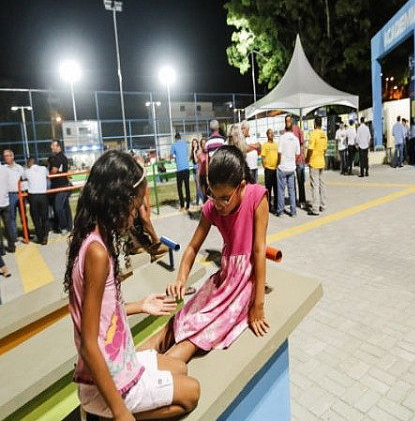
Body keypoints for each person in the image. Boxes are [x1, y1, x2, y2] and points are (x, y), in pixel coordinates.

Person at [64, 150, 200, 419]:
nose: (138, 213)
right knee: (192, 391)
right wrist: (120, 411)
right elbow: (89, 344)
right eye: (136, 205)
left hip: (120, 363)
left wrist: (141, 305)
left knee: (180, 369)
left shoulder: (94, 239)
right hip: (107, 383)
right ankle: (107, 415)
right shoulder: (97, 253)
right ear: (118, 201)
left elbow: (101, 313)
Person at [141, 146, 270, 363]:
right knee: (177, 323)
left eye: (225, 198)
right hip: (224, 279)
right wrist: (181, 278)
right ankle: (120, 371)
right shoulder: (211, 207)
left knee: (195, 336)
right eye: (212, 194)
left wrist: (258, 305)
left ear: (241, 187)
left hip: (244, 284)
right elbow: (192, 247)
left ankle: (148, 380)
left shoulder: (257, 198)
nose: (217, 204)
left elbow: (258, 251)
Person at [276, 118, 301, 217]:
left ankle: (281, 211)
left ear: (285, 126)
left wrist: (278, 163)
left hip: (282, 167)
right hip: (291, 167)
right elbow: (297, 154)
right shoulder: (296, 139)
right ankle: (293, 211)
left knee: (281, 191)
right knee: (292, 191)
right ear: (293, 126)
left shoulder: (282, 138)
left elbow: (279, 152)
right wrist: (292, 161)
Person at [48, 139, 73, 233]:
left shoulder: (58, 158)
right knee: (65, 206)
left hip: (61, 186)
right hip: (62, 185)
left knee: (58, 207)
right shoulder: (62, 157)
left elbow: (53, 171)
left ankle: (64, 226)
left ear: (58, 146)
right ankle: (69, 226)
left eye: (53, 145)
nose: (51, 147)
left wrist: (48, 174)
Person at [3, 149, 28, 240]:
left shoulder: (19, 168)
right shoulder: (3, 169)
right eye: (4, 156)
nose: (5, 157)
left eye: (7, 155)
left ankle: (26, 234)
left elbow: (24, 180)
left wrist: (25, 191)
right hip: (10, 195)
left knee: (23, 215)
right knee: (12, 216)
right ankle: (14, 236)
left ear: (12, 156)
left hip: (20, 194)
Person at [25, 157, 49, 245]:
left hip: (33, 196)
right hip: (43, 195)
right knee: (45, 217)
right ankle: (45, 235)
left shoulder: (27, 171)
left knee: (36, 218)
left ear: (29, 163)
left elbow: (23, 177)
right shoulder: (43, 169)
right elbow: (48, 175)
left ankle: (40, 237)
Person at [306, 117, 327, 216]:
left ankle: (315, 208)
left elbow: (310, 149)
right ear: (321, 124)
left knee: (315, 185)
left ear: (314, 124)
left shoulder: (313, 134)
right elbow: (325, 149)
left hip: (314, 162)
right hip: (322, 161)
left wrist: (307, 159)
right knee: (322, 184)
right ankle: (323, 205)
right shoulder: (324, 134)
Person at [288, 115, 307, 209]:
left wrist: (303, 156)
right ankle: (294, 201)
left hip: (299, 160)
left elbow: (302, 144)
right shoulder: (284, 132)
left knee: (300, 181)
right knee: (292, 183)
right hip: (290, 161)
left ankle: (302, 200)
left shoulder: (298, 129)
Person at [170, 132, 190, 211]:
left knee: (180, 188)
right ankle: (188, 205)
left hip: (179, 169)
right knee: (187, 187)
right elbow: (187, 153)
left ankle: (182, 206)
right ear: (180, 138)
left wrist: (174, 157)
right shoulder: (185, 144)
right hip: (186, 168)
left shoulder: (174, 145)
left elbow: (171, 156)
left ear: (175, 138)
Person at [261, 129, 278, 213]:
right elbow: (263, 157)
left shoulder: (276, 145)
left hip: (276, 169)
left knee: (276, 189)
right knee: (268, 189)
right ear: (267, 135)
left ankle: (276, 205)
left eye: (272, 133)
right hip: (268, 170)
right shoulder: (265, 145)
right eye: (269, 133)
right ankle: (268, 206)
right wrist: (265, 167)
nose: (271, 135)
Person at [0, 163, 16, 261]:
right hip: (5, 201)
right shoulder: (5, 169)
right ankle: (12, 246)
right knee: (8, 225)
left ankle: (1, 250)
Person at [190, 138, 203, 206]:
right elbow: (191, 160)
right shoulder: (193, 151)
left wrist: (195, 151)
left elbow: (196, 160)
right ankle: (197, 202)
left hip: (198, 169)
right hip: (194, 170)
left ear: (197, 144)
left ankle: (203, 200)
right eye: (193, 143)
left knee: (198, 186)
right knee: (197, 187)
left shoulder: (198, 151)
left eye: (195, 143)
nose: (194, 144)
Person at [197, 138, 208, 203]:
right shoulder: (199, 154)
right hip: (202, 175)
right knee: (204, 194)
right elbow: (199, 167)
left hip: (208, 174)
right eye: (202, 144)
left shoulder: (208, 153)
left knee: (209, 193)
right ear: (201, 145)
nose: (204, 145)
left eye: (205, 143)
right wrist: (198, 179)